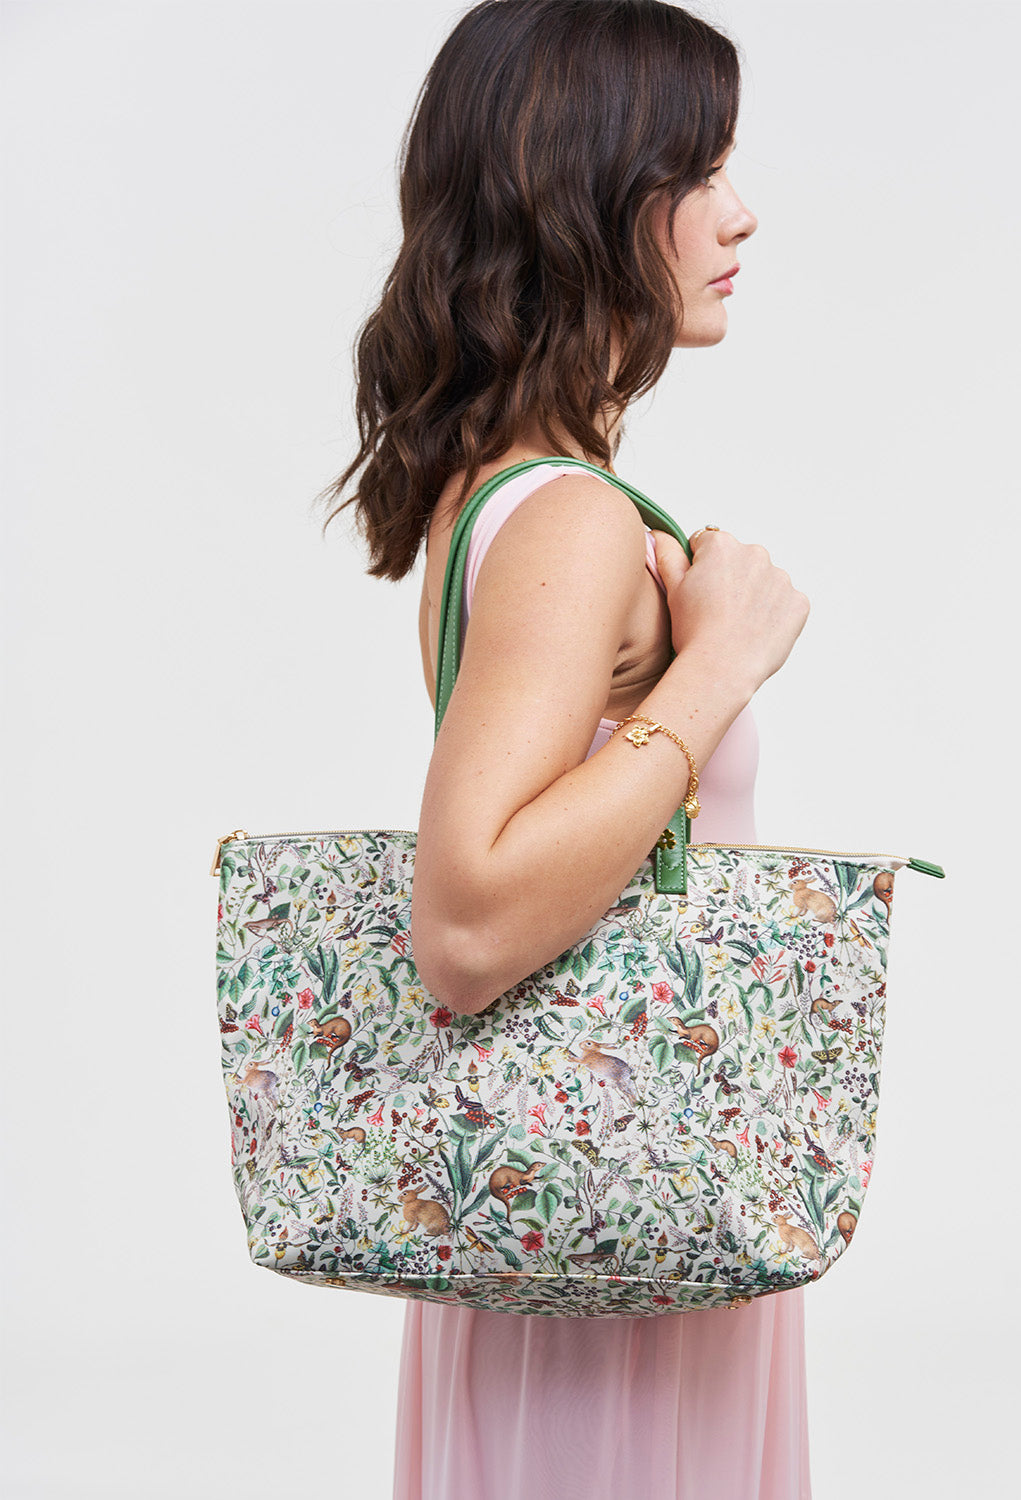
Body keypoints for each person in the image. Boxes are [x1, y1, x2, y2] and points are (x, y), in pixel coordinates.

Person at [320, 3, 812, 1495]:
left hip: (583, 1196)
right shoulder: (573, 519)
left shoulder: (507, 493)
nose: (742, 212)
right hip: (613, 1233)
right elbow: (468, 923)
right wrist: (719, 665)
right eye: (699, 170)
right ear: (589, 199)